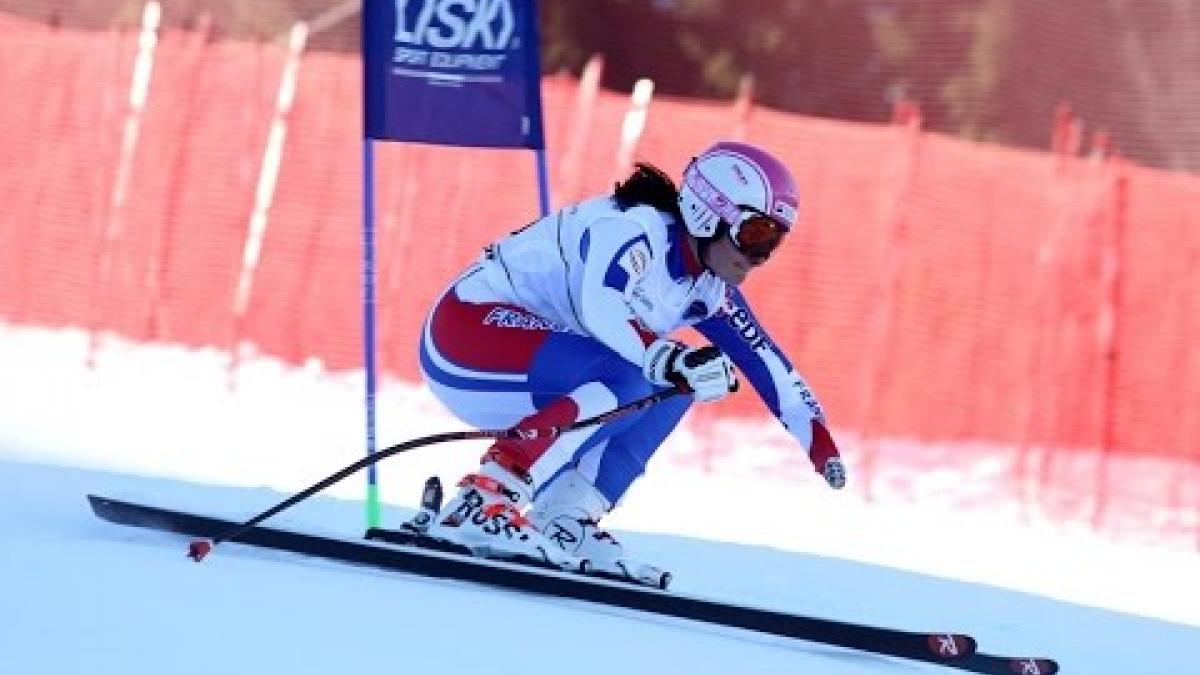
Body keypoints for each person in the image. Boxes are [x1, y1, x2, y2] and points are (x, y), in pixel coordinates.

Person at [416, 140, 845, 580]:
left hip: (534, 365)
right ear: (709, 211)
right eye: (755, 234)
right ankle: (483, 499)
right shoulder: (631, 229)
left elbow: (767, 363)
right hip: (463, 334)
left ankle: (566, 517)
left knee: (675, 383)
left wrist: (819, 441)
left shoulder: (709, 289)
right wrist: (667, 358)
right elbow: (603, 306)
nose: (760, 257)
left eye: (774, 242)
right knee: (632, 373)